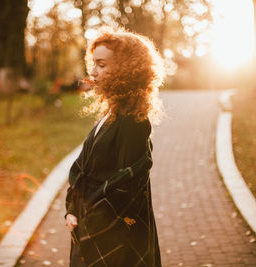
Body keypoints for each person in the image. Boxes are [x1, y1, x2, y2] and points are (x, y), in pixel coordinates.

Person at [64, 27, 165, 267]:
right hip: (93, 228)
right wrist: (73, 209)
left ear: (125, 69)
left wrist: (88, 219)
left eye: (102, 64)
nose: (93, 71)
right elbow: (83, 170)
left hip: (116, 237)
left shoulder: (132, 121)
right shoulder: (112, 112)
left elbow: (125, 188)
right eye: (93, 63)